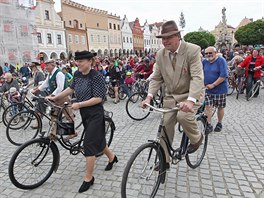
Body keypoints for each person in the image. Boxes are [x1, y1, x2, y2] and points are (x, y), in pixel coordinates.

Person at [47, 50, 118, 193]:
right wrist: (56, 97)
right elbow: (70, 88)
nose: (77, 64)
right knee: (97, 140)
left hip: (95, 114)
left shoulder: (96, 76)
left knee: (89, 145)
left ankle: (88, 178)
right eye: (77, 61)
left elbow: (99, 98)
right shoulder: (77, 74)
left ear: (90, 62)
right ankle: (112, 157)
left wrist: (79, 104)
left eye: (81, 61)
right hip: (85, 113)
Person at [142, 20, 204, 169]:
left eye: (169, 37)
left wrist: (190, 101)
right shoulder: (161, 54)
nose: (165, 41)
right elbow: (156, 78)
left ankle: (197, 138)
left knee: (183, 116)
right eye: (163, 38)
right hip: (172, 97)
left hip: (191, 94)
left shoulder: (192, 50)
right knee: (165, 125)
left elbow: (197, 77)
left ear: (178, 36)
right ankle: (164, 161)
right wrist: (149, 96)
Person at [32, 60, 75, 136]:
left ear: (52, 65)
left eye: (47, 65)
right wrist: (37, 89)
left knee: (69, 116)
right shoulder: (50, 74)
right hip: (54, 99)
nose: (45, 67)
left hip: (63, 97)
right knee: (53, 116)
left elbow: (60, 87)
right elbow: (46, 83)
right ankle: (53, 134)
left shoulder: (59, 73)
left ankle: (72, 133)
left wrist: (51, 95)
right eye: (45, 66)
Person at [203, 47, 228, 133]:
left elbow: (223, 75)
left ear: (215, 52)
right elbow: (200, 73)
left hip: (220, 89)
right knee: (208, 106)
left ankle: (219, 123)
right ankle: (209, 124)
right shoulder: (204, 62)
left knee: (220, 107)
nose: (208, 55)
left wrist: (213, 85)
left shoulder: (221, 61)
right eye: (206, 53)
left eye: (210, 53)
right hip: (208, 89)